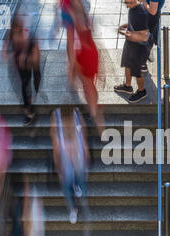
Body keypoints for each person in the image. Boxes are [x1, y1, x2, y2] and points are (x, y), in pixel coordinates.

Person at [67, 0, 104, 136]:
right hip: (92, 53)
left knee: (87, 85)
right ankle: (93, 109)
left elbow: (72, 49)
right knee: (90, 84)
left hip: (82, 57)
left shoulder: (72, 26)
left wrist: (71, 69)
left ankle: (94, 112)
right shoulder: (87, 18)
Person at [51, 108, 90, 224]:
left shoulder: (76, 113)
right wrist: (56, 161)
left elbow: (83, 131)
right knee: (67, 185)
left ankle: (77, 185)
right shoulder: (56, 116)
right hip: (65, 156)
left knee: (78, 176)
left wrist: (86, 147)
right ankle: (73, 209)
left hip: (77, 153)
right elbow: (54, 139)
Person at [2, 14, 41, 126]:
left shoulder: (26, 33)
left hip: (30, 52)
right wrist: (13, 55)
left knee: (36, 75)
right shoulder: (10, 34)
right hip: (20, 60)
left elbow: (30, 44)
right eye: (18, 27)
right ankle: (29, 112)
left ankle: (34, 96)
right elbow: (5, 52)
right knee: (24, 84)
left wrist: (25, 56)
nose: (21, 28)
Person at [114, 0, 150, 103]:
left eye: (127, 2)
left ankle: (141, 91)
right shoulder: (133, 8)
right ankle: (127, 86)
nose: (126, 4)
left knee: (137, 72)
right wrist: (125, 26)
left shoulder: (140, 12)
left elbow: (144, 35)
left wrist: (125, 34)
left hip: (137, 47)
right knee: (127, 65)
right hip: (130, 44)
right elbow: (133, 22)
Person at [141, 0, 165, 71]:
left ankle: (142, 60)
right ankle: (141, 62)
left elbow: (153, 11)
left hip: (151, 14)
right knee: (148, 39)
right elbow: (153, 11)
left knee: (149, 39)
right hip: (150, 15)